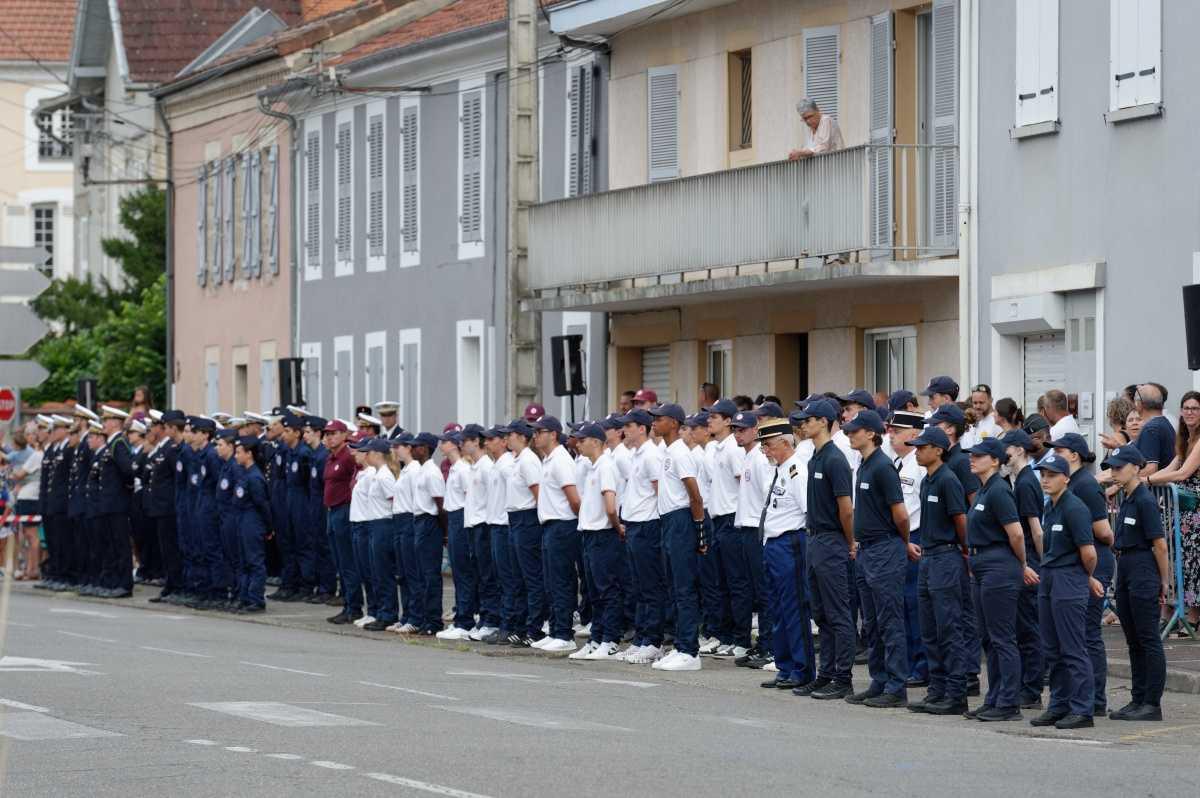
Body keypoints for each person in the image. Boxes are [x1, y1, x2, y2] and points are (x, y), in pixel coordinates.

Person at [965, 437, 1038, 721]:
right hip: (983, 564)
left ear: (994, 461)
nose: (972, 459)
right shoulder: (984, 490)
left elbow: (1017, 533)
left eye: (979, 455)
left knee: (1002, 637)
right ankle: (994, 697)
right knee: (987, 637)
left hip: (999, 565)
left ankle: (1009, 702)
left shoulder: (999, 490)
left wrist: (1021, 564)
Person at [843, 409, 911, 708]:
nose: (850, 435)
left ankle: (896, 686)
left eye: (855, 431)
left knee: (889, 621)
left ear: (871, 433)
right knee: (871, 621)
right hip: (867, 549)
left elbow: (900, 514)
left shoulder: (883, 466)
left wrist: (903, 543)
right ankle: (879, 679)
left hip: (885, 548)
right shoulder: (864, 465)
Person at [790, 398, 855, 699]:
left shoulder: (834, 459)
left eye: (810, 419)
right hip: (814, 539)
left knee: (838, 613)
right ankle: (825, 673)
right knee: (821, 613)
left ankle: (843, 678)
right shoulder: (815, 457)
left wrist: (850, 542)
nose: (804, 424)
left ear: (825, 422)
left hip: (831, 540)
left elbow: (846, 508)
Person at [1029, 452, 1100, 730]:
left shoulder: (1075, 507)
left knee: (1072, 647)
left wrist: (1086, 577)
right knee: (1052, 647)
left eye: (1051, 475)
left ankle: (1082, 709)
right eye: (1043, 475)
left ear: (1066, 478)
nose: (1045, 480)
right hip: (1049, 576)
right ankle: (1059, 705)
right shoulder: (1051, 506)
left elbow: (1089, 553)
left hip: (1069, 577)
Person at [1051, 432, 1115, 715]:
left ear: (1074, 455)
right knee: (1076, 633)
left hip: (1093, 561)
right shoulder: (1069, 483)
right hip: (1074, 561)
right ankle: (1075, 697)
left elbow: (1103, 531)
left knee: (1088, 633)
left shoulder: (1085, 485)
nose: (1054, 456)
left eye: (1060, 451)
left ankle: (1095, 700)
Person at [907, 426, 969, 715]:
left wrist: (965, 552)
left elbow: (960, 520)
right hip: (928, 558)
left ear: (938, 450)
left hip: (946, 557)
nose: (917, 451)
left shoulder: (948, 480)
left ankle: (956, 693)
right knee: (929, 628)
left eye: (922, 447)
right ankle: (937, 689)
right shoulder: (926, 481)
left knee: (949, 628)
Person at [1106, 444, 1169, 721]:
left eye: (1119, 467)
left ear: (1135, 468)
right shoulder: (1128, 498)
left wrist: (1163, 582)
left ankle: (1151, 703)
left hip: (1143, 567)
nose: (1114, 472)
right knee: (1132, 640)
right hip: (1127, 566)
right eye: (1113, 468)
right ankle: (1137, 698)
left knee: (1147, 638)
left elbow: (1160, 545)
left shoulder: (1143, 499)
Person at [756, 417, 816, 691]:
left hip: (790, 542)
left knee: (794, 609)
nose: (765, 451)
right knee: (777, 609)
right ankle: (785, 666)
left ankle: (802, 669)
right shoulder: (780, 469)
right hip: (773, 544)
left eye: (768, 446)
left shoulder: (796, 471)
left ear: (784, 443)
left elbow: (807, 513)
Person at [650, 403, 706, 672]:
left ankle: (690, 650)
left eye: (658, 419)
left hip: (682, 520)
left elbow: (694, 495)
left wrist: (699, 529)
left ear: (673, 423)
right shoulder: (668, 451)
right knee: (672, 585)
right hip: (668, 521)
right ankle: (680, 645)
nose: (654, 423)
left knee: (684, 587)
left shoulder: (681, 452)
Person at [569, 422, 624, 661]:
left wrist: (616, 524)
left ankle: (610, 639)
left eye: (582, 440)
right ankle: (597, 637)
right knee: (594, 590)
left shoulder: (606, 466)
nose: (578, 444)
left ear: (596, 441)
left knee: (607, 589)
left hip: (603, 534)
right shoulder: (592, 467)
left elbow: (610, 502)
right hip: (590, 533)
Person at [618, 408, 668, 664]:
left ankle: (653, 640)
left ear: (642, 428)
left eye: (630, 425)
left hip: (648, 524)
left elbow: (660, 492)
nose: (624, 430)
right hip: (635, 524)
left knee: (650, 586)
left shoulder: (651, 455)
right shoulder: (636, 454)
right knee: (638, 586)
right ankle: (641, 638)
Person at [1147, 391, 1200, 623]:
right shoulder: (1185, 439)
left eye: (1195, 408)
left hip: (1195, 511)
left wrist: (1146, 481)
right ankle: (1179, 613)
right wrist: (1138, 482)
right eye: (1186, 408)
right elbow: (1170, 467)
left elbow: (1183, 473)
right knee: (1180, 562)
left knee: (1193, 564)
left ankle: (1194, 617)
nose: (1189, 412)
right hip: (1183, 512)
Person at [1002, 429, 1046, 709]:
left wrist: (1035, 564)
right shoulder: (1018, 480)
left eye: (1005, 449)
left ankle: (1031, 689)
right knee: (1022, 628)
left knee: (1029, 629)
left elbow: (1036, 529)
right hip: (1025, 560)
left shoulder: (1028, 482)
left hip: (1029, 560)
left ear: (1018, 450)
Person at [887, 410, 928, 688]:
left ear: (914, 434)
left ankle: (921, 665)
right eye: (890, 429)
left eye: (897, 430)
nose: (890, 434)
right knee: (901, 604)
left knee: (914, 605)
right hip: (898, 538)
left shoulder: (920, 466)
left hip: (916, 536)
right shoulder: (898, 463)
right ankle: (909, 662)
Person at [707, 399, 749, 659]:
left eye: (715, 417)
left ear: (727, 421)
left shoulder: (734, 448)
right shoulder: (716, 448)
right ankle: (725, 635)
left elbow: (741, 484)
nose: (709, 420)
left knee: (737, 582)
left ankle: (741, 638)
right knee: (720, 581)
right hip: (717, 520)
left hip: (732, 519)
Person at [505, 419, 546, 647]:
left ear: (522, 436)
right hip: (515, 518)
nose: (507, 438)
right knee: (518, 576)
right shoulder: (517, 459)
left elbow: (538, 493)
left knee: (531, 577)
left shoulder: (528, 460)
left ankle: (534, 628)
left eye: (511, 434)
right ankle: (520, 626)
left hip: (527, 518)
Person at [461, 424, 501, 641]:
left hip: (484, 524)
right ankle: (485, 617)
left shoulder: (486, 466)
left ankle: (491, 619)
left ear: (476, 441)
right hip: (474, 525)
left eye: (466, 440)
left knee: (488, 575)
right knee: (480, 574)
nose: (462, 444)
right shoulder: (474, 466)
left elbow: (491, 499)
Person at [438, 430, 477, 641]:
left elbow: (468, 496)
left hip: (461, 517)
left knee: (463, 572)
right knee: (458, 572)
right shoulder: (455, 468)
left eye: (444, 441)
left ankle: (466, 620)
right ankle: (461, 618)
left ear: (453, 445)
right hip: (453, 517)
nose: (441, 445)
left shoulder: (463, 469)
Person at [323, 419, 362, 626]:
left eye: (334, 433)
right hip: (332, 511)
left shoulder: (348, 457)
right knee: (339, 561)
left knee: (348, 562)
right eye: (327, 434)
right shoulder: (331, 457)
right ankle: (347, 604)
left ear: (344, 434)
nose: (329, 437)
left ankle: (353, 607)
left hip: (344, 510)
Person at [362, 437, 398, 632]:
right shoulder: (378, 474)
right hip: (376, 523)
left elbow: (394, 500)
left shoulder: (384, 476)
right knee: (377, 571)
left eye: (369, 452)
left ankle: (388, 614)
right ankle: (383, 612)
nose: (366, 455)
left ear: (377, 454)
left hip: (384, 524)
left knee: (384, 572)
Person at [232, 436, 271, 613]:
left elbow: (262, 505)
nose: (236, 456)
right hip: (241, 520)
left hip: (252, 522)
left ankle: (256, 599)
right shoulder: (245, 473)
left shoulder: (255, 477)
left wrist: (269, 527)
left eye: (239, 452)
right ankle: (245, 597)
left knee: (254, 561)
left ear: (249, 454)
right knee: (244, 561)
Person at [1138, 384, 1184, 476]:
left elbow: (1150, 469)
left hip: (1155, 488)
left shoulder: (1151, 428)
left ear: (1139, 404)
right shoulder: (1164, 423)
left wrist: (1125, 477)